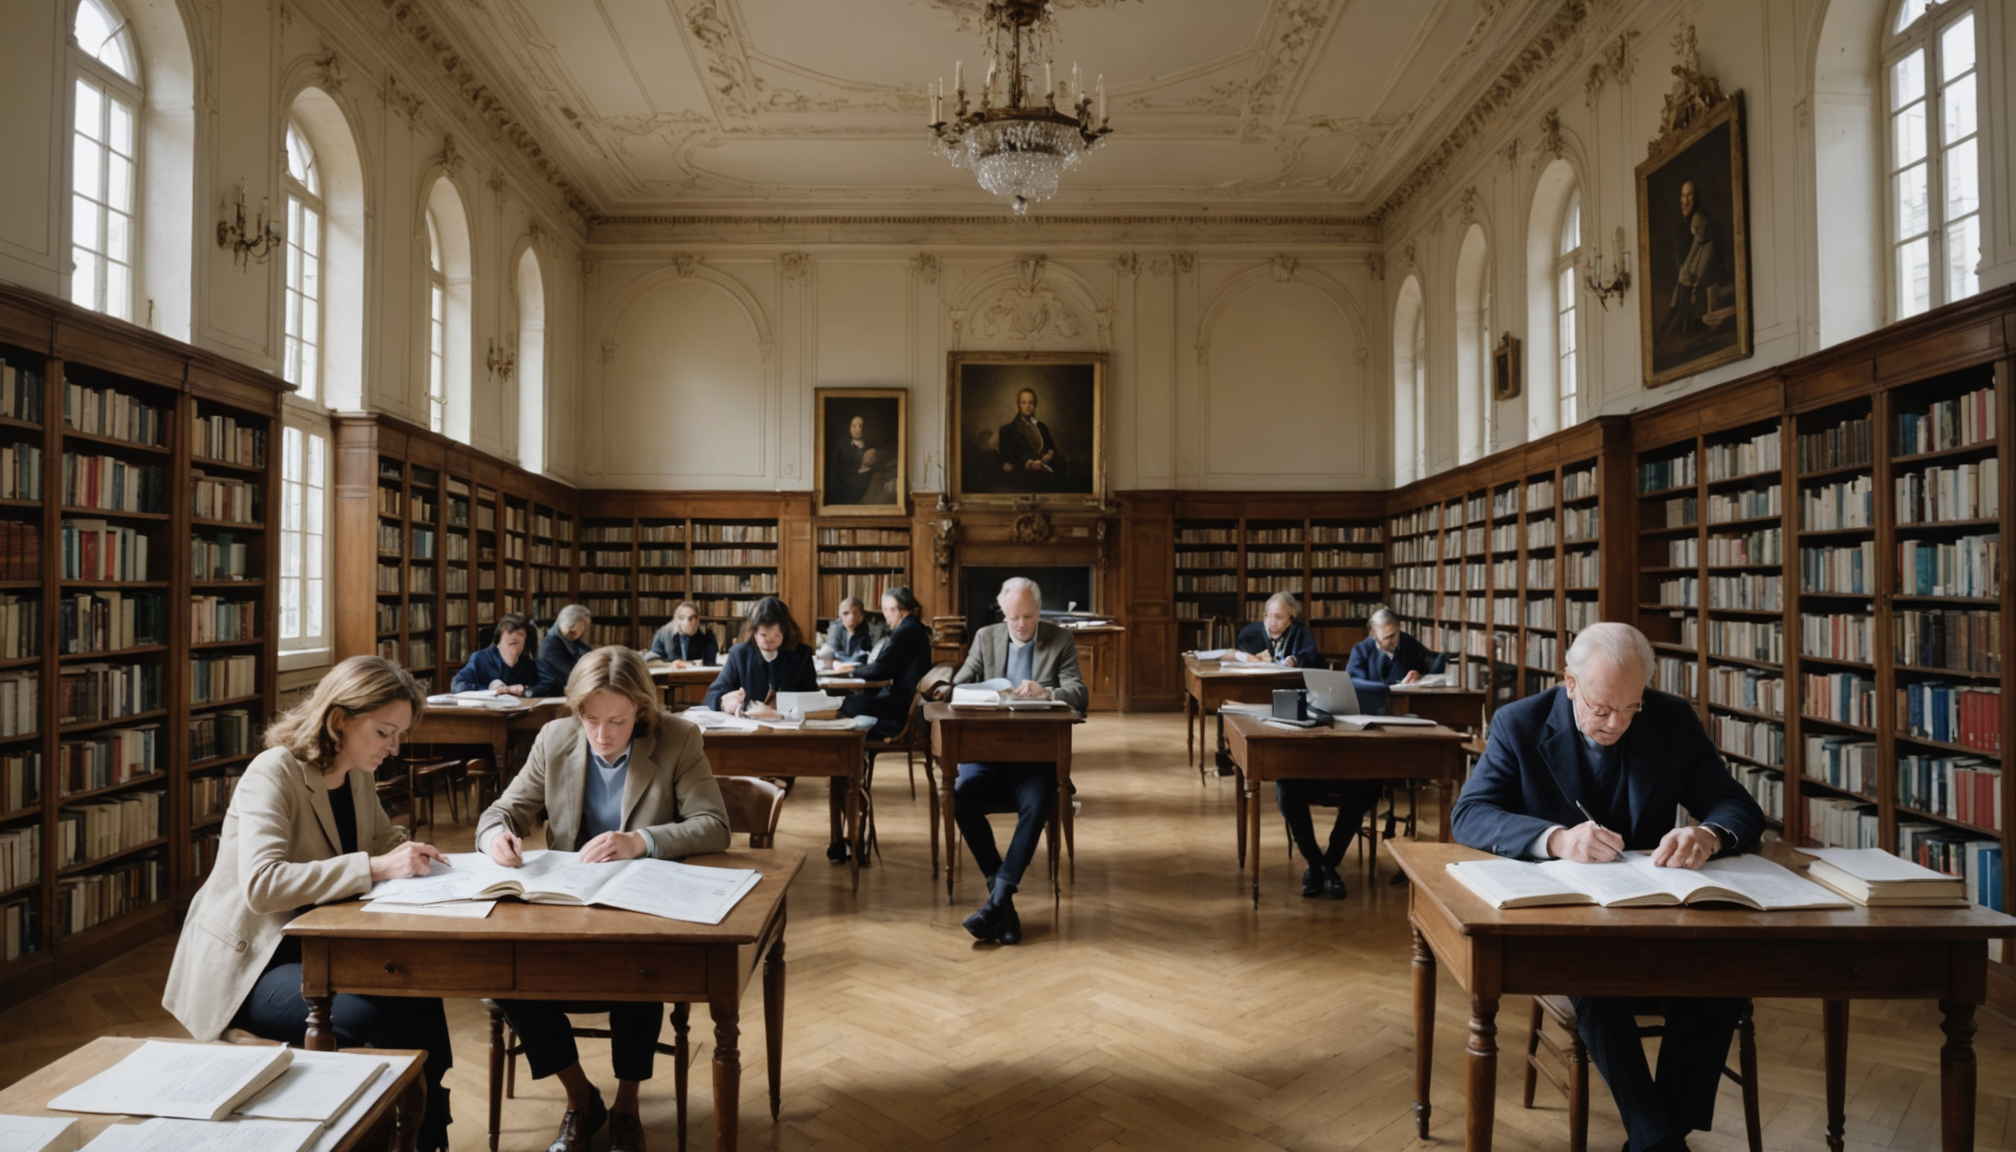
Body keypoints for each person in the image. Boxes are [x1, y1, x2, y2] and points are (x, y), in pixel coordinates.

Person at [1450, 623, 1765, 1152]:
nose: (1616, 723)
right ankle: (1660, 1142)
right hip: (1567, 918)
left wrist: (1707, 835)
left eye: (1630, 708)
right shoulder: (1519, 723)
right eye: (1601, 707)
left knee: (1723, 980)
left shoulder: (1671, 720)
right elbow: (1470, 814)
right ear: (1569, 682)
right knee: (1596, 985)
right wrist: (1554, 839)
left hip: (1657, 911)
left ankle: (1657, 1138)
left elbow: (1739, 807)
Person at [162, 657, 456, 1151]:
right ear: (339, 719)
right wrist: (378, 867)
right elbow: (263, 884)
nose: (394, 747)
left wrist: (437, 862)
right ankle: (390, 1135)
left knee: (422, 996)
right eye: (385, 731)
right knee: (381, 1020)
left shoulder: (358, 771)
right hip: (254, 959)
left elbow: (383, 840)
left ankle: (428, 1132)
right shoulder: (273, 772)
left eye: (399, 734)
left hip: (320, 942)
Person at [477, 647, 730, 1152]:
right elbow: (504, 810)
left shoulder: (678, 738)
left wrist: (641, 841)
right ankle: (580, 1097)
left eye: (616, 720)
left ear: (641, 709)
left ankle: (627, 1108)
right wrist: (494, 837)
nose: (602, 734)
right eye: (590, 719)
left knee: (640, 971)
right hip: (565, 905)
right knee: (502, 972)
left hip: (639, 905)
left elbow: (715, 825)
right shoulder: (555, 738)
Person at [950, 577, 1088, 946]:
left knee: (1038, 801)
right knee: (960, 799)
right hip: (987, 754)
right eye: (1014, 617)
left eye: (1028, 616)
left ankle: (998, 900)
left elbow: (1079, 693)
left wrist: (1048, 691)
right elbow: (960, 681)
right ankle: (1003, 904)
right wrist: (961, 689)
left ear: (1039, 612)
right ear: (1003, 614)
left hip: (1034, 756)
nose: (1022, 624)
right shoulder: (986, 636)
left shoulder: (1060, 639)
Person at [838, 587, 932, 739]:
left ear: (898, 609)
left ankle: (850, 749)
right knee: (852, 702)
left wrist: (850, 671)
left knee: (846, 703)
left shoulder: (905, 631)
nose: (885, 615)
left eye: (887, 610)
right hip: (903, 699)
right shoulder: (913, 626)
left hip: (899, 707)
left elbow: (880, 670)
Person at [703, 596, 817, 716]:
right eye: (763, 635)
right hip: (748, 729)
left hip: (791, 728)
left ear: (785, 631)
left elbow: (813, 698)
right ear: (754, 633)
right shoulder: (740, 655)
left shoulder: (802, 655)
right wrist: (725, 702)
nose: (769, 640)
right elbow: (713, 694)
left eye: (775, 635)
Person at [1344, 606, 1440, 714]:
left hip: (1404, 710)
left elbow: (1434, 665)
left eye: (1394, 635)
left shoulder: (1408, 642)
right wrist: (1385, 689)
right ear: (1374, 635)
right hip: (1370, 710)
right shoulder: (1361, 650)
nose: (1393, 641)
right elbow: (1352, 682)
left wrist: (1420, 676)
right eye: (1387, 638)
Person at [453, 612, 541, 694]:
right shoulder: (480, 659)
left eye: (520, 634)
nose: (515, 637)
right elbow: (458, 685)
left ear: (525, 642)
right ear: (499, 639)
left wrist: (525, 690)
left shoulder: (527, 664)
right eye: (510, 632)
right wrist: (490, 690)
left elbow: (545, 687)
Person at [1230, 591, 1321, 668]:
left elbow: (1308, 656)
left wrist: (1294, 660)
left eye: (1279, 617)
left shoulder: (1301, 633)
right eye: (1268, 616)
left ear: (1289, 620)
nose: (1272, 624)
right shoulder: (1249, 634)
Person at [997, 387, 1065, 476]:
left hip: (1046, 475)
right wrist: (1029, 464)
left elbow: (1051, 448)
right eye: (1024, 403)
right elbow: (1007, 460)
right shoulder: (1007, 430)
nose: (1028, 406)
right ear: (1018, 405)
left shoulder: (1042, 427)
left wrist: (1051, 454)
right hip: (1023, 478)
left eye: (1031, 402)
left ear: (1034, 404)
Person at [535, 604, 593, 696]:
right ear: (561, 624)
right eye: (571, 632)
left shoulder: (570, 639)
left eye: (581, 631)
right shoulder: (549, 645)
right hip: (553, 694)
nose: (576, 635)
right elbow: (572, 673)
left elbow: (591, 655)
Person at [831, 414, 885, 505]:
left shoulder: (868, 447)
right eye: (854, 426)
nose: (857, 429)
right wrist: (859, 470)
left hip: (864, 487)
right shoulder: (841, 447)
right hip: (845, 488)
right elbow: (836, 471)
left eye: (860, 426)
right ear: (849, 428)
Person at [818, 596, 887, 664]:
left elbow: (869, 656)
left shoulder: (872, 630)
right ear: (840, 616)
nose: (850, 618)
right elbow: (831, 651)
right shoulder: (835, 627)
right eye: (845, 613)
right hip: (838, 669)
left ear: (861, 616)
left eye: (855, 613)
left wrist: (839, 660)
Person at [647, 600, 719, 666]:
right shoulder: (664, 633)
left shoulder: (704, 635)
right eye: (682, 618)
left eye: (691, 619)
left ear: (697, 621)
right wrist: (671, 665)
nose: (686, 622)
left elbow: (710, 662)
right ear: (677, 619)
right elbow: (650, 661)